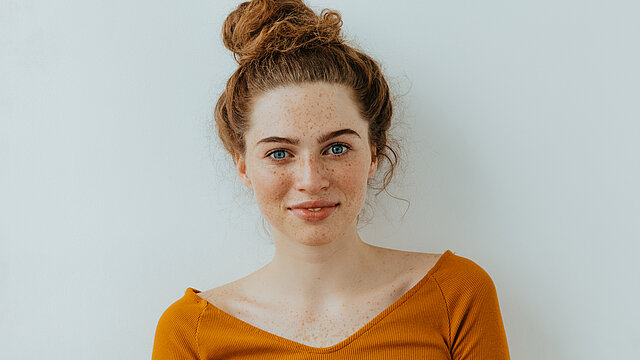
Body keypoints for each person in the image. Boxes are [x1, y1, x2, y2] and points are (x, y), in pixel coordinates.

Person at [151, 0, 510, 358]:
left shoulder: (456, 294)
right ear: (244, 166)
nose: (311, 180)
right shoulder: (190, 332)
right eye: (279, 153)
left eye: (336, 148)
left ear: (373, 152)